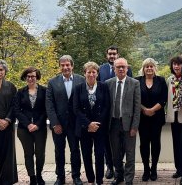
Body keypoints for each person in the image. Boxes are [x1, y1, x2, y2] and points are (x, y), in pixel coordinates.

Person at [46, 55, 85, 185]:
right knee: (59, 151)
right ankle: (60, 177)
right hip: (59, 124)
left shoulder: (81, 80)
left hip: (75, 124)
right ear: (60, 67)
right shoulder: (52, 82)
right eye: (62, 65)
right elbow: (49, 105)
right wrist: (55, 123)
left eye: (67, 65)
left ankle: (76, 176)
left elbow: (83, 102)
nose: (65, 67)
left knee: (75, 150)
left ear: (72, 66)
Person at [98, 45, 132, 179]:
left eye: (114, 54)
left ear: (118, 55)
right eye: (110, 54)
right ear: (107, 55)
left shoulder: (126, 68)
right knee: (107, 142)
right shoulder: (101, 69)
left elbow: (131, 88)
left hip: (123, 113)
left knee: (122, 142)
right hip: (107, 113)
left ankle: (119, 164)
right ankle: (109, 166)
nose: (112, 56)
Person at [74, 62, 110, 185]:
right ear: (84, 73)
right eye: (88, 72)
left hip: (100, 128)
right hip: (84, 128)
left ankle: (99, 180)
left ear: (97, 73)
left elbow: (106, 106)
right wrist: (88, 124)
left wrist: (96, 124)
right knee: (86, 154)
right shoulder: (78, 88)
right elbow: (76, 109)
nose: (91, 74)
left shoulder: (103, 86)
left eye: (93, 72)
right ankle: (90, 179)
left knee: (100, 154)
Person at [106, 58, 141, 185]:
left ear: (127, 68)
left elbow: (137, 107)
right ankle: (118, 176)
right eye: (118, 67)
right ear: (114, 69)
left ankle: (129, 179)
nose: (121, 69)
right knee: (116, 153)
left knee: (130, 153)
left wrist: (135, 126)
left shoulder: (134, 83)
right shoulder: (108, 83)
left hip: (129, 124)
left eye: (123, 67)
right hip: (113, 123)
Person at [14, 67, 48, 185]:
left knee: (40, 153)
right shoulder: (20, 92)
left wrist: (37, 125)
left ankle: (39, 175)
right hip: (24, 129)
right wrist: (28, 124)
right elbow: (17, 111)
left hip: (40, 128)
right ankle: (32, 177)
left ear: (37, 77)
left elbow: (46, 110)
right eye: (28, 76)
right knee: (28, 153)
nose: (31, 78)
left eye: (33, 76)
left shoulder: (45, 91)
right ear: (25, 78)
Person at [136, 58, 168, 182]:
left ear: (155, 68)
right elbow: (135, 98)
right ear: (143, 68)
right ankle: (146, 169)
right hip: (142, 118)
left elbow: (163, 98)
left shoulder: (161, 80)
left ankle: (154, 168)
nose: (149, 68)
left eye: (151, 66)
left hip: (157, 118)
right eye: (146, 66)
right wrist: (144, 110)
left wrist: (152, 110)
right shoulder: (137, 81)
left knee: (155, 144)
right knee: (143, 144)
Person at [166, 56, 182, 185]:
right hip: (173, 117)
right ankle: (179, 169)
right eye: (174, 64)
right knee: (176, 145)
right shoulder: (169, 80)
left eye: (179, 64)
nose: (176, 66)